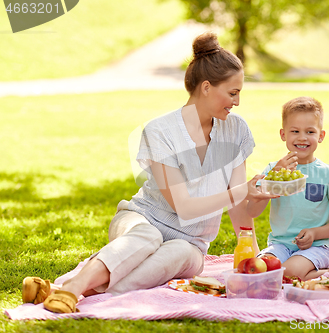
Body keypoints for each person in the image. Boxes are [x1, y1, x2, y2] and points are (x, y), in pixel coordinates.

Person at [21, 32, 275, 313]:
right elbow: (185, 208)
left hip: (191, 244)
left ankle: (60, 290)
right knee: (149, 238)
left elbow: (239, 207)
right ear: (206, 87)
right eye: (232, 93)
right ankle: (71, 289)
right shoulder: (160, 131)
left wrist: (253, 256)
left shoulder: (236, 130)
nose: (237, 102)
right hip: (141, 220)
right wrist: (240, 191)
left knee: (177, 253)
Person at [247, 96, 329, 281]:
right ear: (283, 134)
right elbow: (252, 212)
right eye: (295, 131)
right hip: (280, 245)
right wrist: (271, 180)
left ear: (321, 136)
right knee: (258, 269)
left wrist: (315, 233)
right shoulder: (273, 170)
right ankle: (318, 273)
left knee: (286, 273)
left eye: (310, 131)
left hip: (317, 247)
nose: (302, 137)